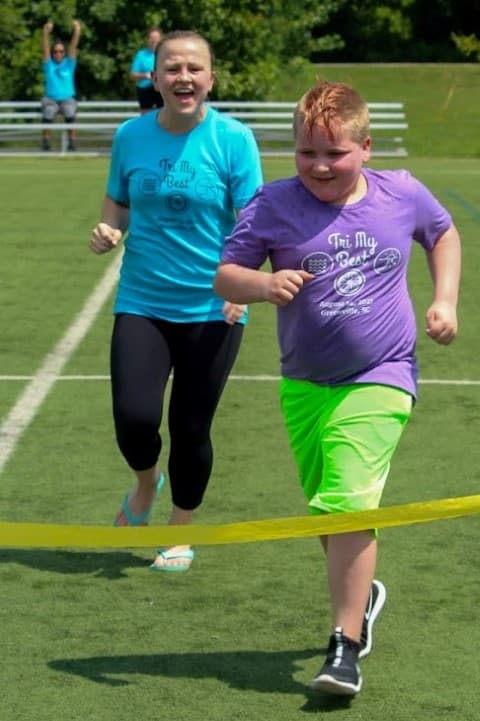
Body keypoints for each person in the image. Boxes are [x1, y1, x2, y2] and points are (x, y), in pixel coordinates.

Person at [215, 80, 461, 696]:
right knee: (328, 515)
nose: (320, 167)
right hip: (304, 382)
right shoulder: (273, 204)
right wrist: (264, 287)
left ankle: (344, 646)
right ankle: (364, 591)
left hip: (383, 374)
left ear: (366, 147)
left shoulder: (400, 192)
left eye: (335, 154)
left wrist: (446, 300)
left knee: (348, 502)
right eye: (306, 154)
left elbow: (443, 232)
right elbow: (226, 275)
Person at [89, 30, 263, 572]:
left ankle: (181, 528)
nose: (183, 78)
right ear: (156, 77)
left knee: (191, 426)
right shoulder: (131, 136)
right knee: (134, 418)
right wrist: (109, 229)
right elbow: (117, 202)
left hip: (214, 307)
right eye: (172, 68)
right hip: (142, 299)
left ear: (211, 78)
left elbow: (256, 222)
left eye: (194, 68)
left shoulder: (234, 139)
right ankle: (145, 485)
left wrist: (243, 284)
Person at [41, 19, 82, 151]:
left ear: (64, 53)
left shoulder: (69, 64)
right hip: (51, 98)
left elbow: (73, 46)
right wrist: (45, 33)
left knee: (70, 112)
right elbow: (45, 48)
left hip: (67, 98)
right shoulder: (49, 65)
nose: (58, 54)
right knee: (48, 112)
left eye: (61, 51)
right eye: (55, 52)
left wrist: (76, 31)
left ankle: (71, 142)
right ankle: (46, 142)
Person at [130, 27, 164, 113]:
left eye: (156, 38)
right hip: (145, 88)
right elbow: (133, 74)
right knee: (146, 114)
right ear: (147, 39)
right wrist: (145, 75)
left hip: (161, 87)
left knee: (163, 112)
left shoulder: (165, 54)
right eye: (152, 38)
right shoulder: (141, 55)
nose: (154, 41)